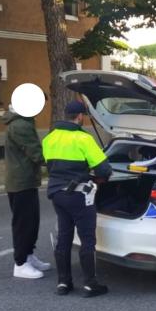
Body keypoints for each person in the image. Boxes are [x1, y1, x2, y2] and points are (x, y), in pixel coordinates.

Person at [43, 101, 112, 297]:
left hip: (57, 194)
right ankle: (91, 284)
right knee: (87, 239)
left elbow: (50, 165)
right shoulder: (84, 138)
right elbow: (104, 169)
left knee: (64, 237)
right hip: (79, 195)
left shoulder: (50, 138)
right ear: (80, 116)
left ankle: (63, 283)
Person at [3, 105, 51, 279]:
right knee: (23, 223)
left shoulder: (22, 122)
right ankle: (21, 263)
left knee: (31, 221)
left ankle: (29, 255)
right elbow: (36, 153)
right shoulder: (20, 126)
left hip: (25, 179)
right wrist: (57, 161)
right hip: (21, 181)